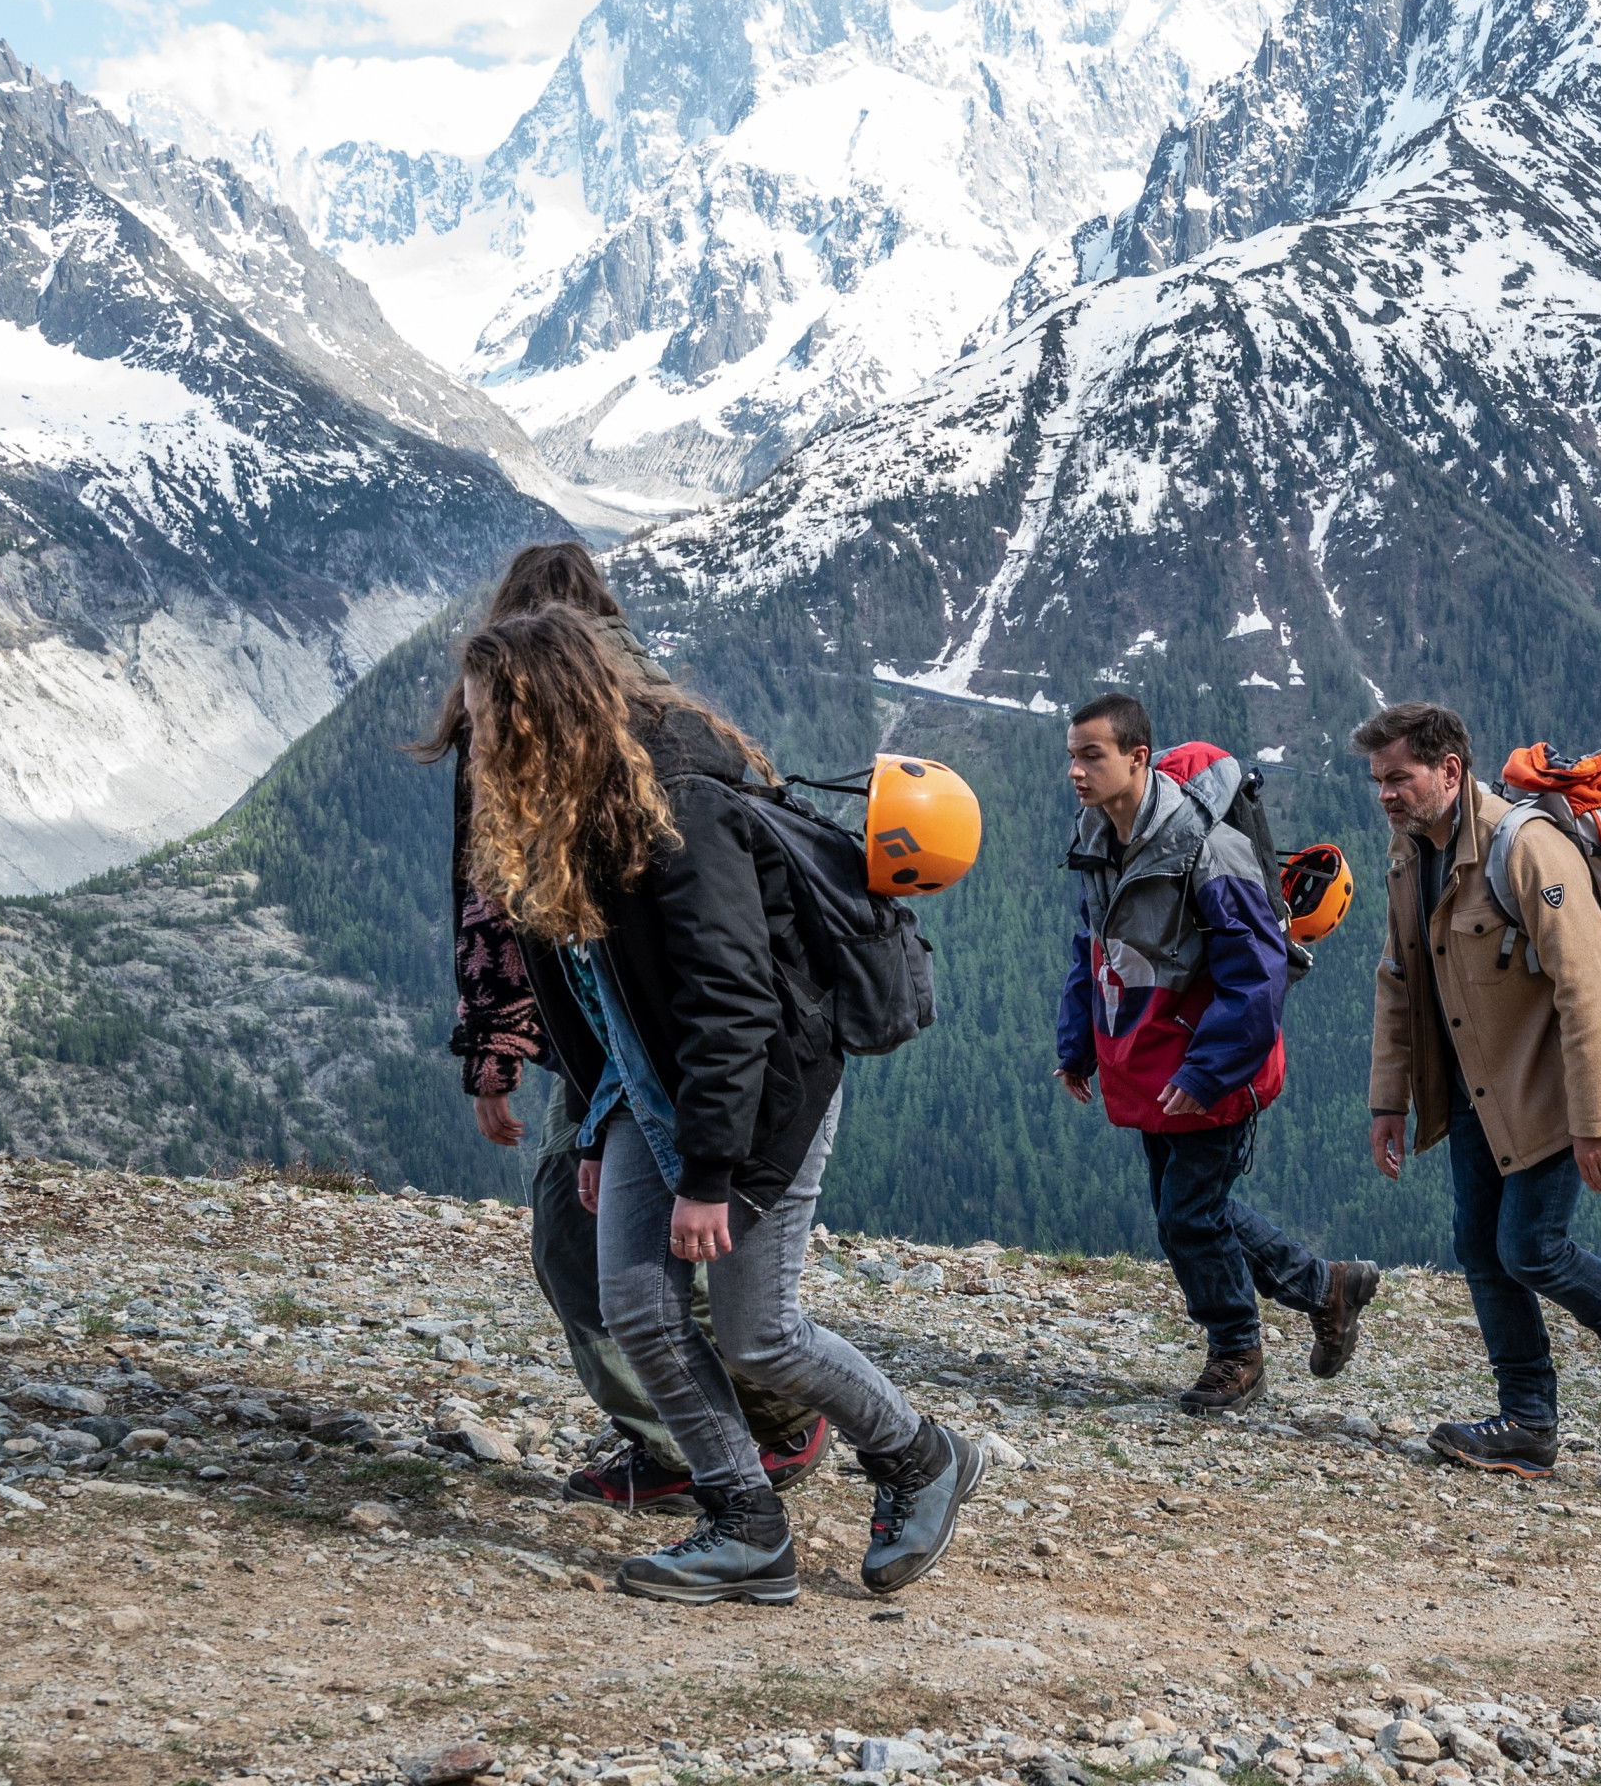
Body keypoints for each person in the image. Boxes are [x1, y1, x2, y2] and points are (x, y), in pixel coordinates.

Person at [456, 603, 982, 1605]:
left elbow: (734, 1007)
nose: (477, 740)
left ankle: (921, 1456)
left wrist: (708, 1174)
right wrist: (597, 1123)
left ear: (543, 715)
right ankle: (745, 1524)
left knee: (759, 1333)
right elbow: (600, 998)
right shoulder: (561, 815)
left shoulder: (681, 805)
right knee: (637, 1307)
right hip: (648, 1091)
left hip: (764, 1090)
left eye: (491, 718)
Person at [421, 543, 829, 1512]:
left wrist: (499, 1048)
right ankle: (750, 1442)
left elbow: (497, 912)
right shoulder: (661, 721)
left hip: (640, 1050)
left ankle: (727, 1446)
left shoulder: (578, 747)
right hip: (654, 1049)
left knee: (591, 1254)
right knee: (654, 1271)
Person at [1357, 701, 1601, 1476]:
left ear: (1450, 769)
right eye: (1378, 781)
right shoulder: (1409, 854)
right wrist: (1388, 1100)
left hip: (1552, 1082)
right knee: (1481, 1248)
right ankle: (1527, 1424)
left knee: (1531, 1247)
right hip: (1477, 1084)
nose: (1385, 795)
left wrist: (1595, 1119)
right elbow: (1398, 979)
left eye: (1398, 778)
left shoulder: (1527, 848)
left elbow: (1587, 987)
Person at [1056, 692, 1380, 1413]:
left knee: (1188, 1216)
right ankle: (1327, 1288)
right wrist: (1078, 1043)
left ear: (1137, 758)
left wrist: (1208, 1071)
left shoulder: (1208, 849)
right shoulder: (1098, 839)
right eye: (1072, 756)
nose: (1075, 770)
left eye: (1091, 755)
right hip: (1149, 1057)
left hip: (1208, 1068)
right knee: (1195, 1209)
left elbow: (1258, 975)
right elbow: (1093, 948)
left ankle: (1238, 1352)